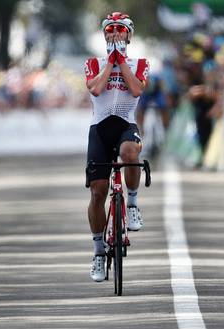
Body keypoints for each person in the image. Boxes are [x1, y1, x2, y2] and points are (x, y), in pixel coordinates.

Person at [84, 12, 149, 282]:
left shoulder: (140, 63)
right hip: (100, 129)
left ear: (129, 35)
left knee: (129, 153)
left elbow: (135, 90)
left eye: (120, 30)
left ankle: (132, 203)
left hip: (125, 125)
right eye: (110, 30)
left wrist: (122, 61)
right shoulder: (92, 63)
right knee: (98, 193)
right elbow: (96, 90)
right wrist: (109, 63)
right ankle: (99, 251)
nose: (115, 34)